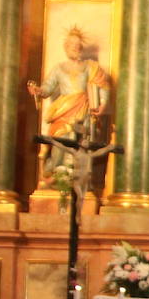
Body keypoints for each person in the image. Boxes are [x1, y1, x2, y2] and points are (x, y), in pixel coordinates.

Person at [27, 28, 110, 184]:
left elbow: (102, 85)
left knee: (80, 144)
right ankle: (57, 175)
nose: (74, 47)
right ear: (66, 47)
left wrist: (103, 104)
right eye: (71, 44)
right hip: (63, 111)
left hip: (83, 111)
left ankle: (77, 178)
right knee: (59, 142)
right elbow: (47, 88)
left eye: (77, 44)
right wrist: (37, 90)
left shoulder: (89, 67)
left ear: (81, 47)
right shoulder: (58, 69)